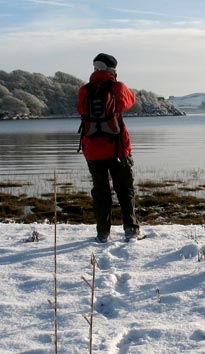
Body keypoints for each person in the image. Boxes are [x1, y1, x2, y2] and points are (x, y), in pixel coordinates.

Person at [77, 53, 142, 243]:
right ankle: (130, 229)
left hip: (92, 151)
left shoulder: (84, 90)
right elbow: (130, 101)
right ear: (113, 69)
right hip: (118, 149)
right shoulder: (117, 87)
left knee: (100, 191)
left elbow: (80, 110)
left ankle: (102, 232)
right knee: (125, 189)